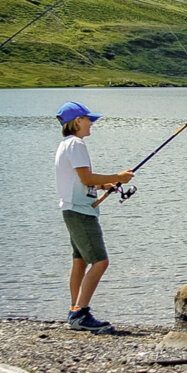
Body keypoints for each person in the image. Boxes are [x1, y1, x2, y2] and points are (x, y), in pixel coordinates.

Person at [55, 100, 134, 333]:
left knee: (80, 262)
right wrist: (118, 176)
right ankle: (80, 314)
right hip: (80, 212)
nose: (92, 123)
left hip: (73, 209)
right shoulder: (76, 144)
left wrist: (105, 185)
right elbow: (87, 178)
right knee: (100, 261)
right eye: (89, 119)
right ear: (77, 121)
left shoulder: (66, 144)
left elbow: (81, 181)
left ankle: (74, 308)